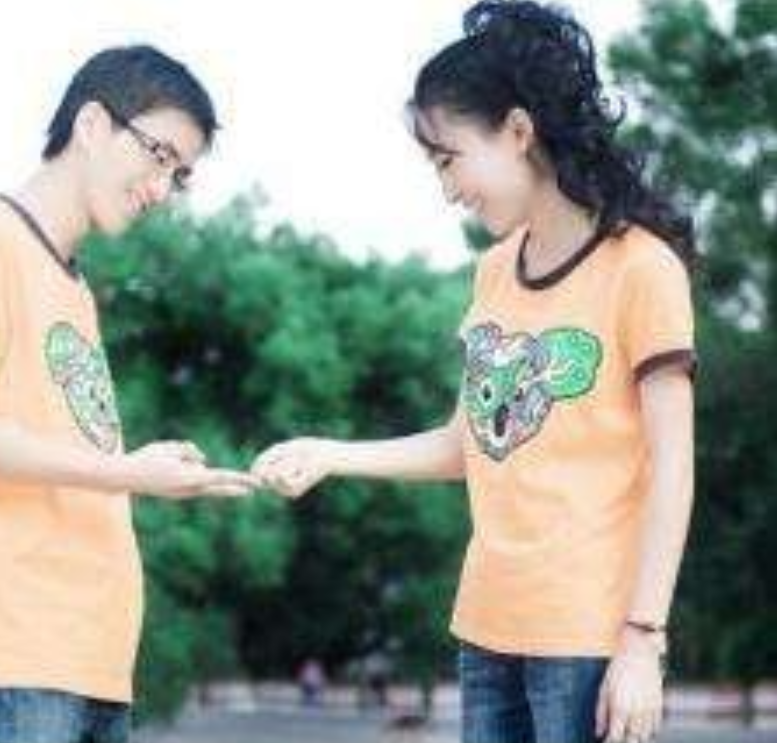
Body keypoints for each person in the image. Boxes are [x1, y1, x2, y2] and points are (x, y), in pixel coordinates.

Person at [254, 3, 696, 742]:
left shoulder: (642, 269)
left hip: (587, 640)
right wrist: (328, 454)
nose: (447, 187)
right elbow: (468, 443)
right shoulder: (493, 271)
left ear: (518, 132)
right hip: (487, 632)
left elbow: (674, 468)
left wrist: (643, 639)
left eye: (448, 159)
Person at [0, 45, 256, 743]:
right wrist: (129, 472)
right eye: (160, 155)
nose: (163, 188)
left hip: (90, 655)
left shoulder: (73, 287)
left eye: (179, 175)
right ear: (92, 124)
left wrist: (143, 468)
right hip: (13, 645)